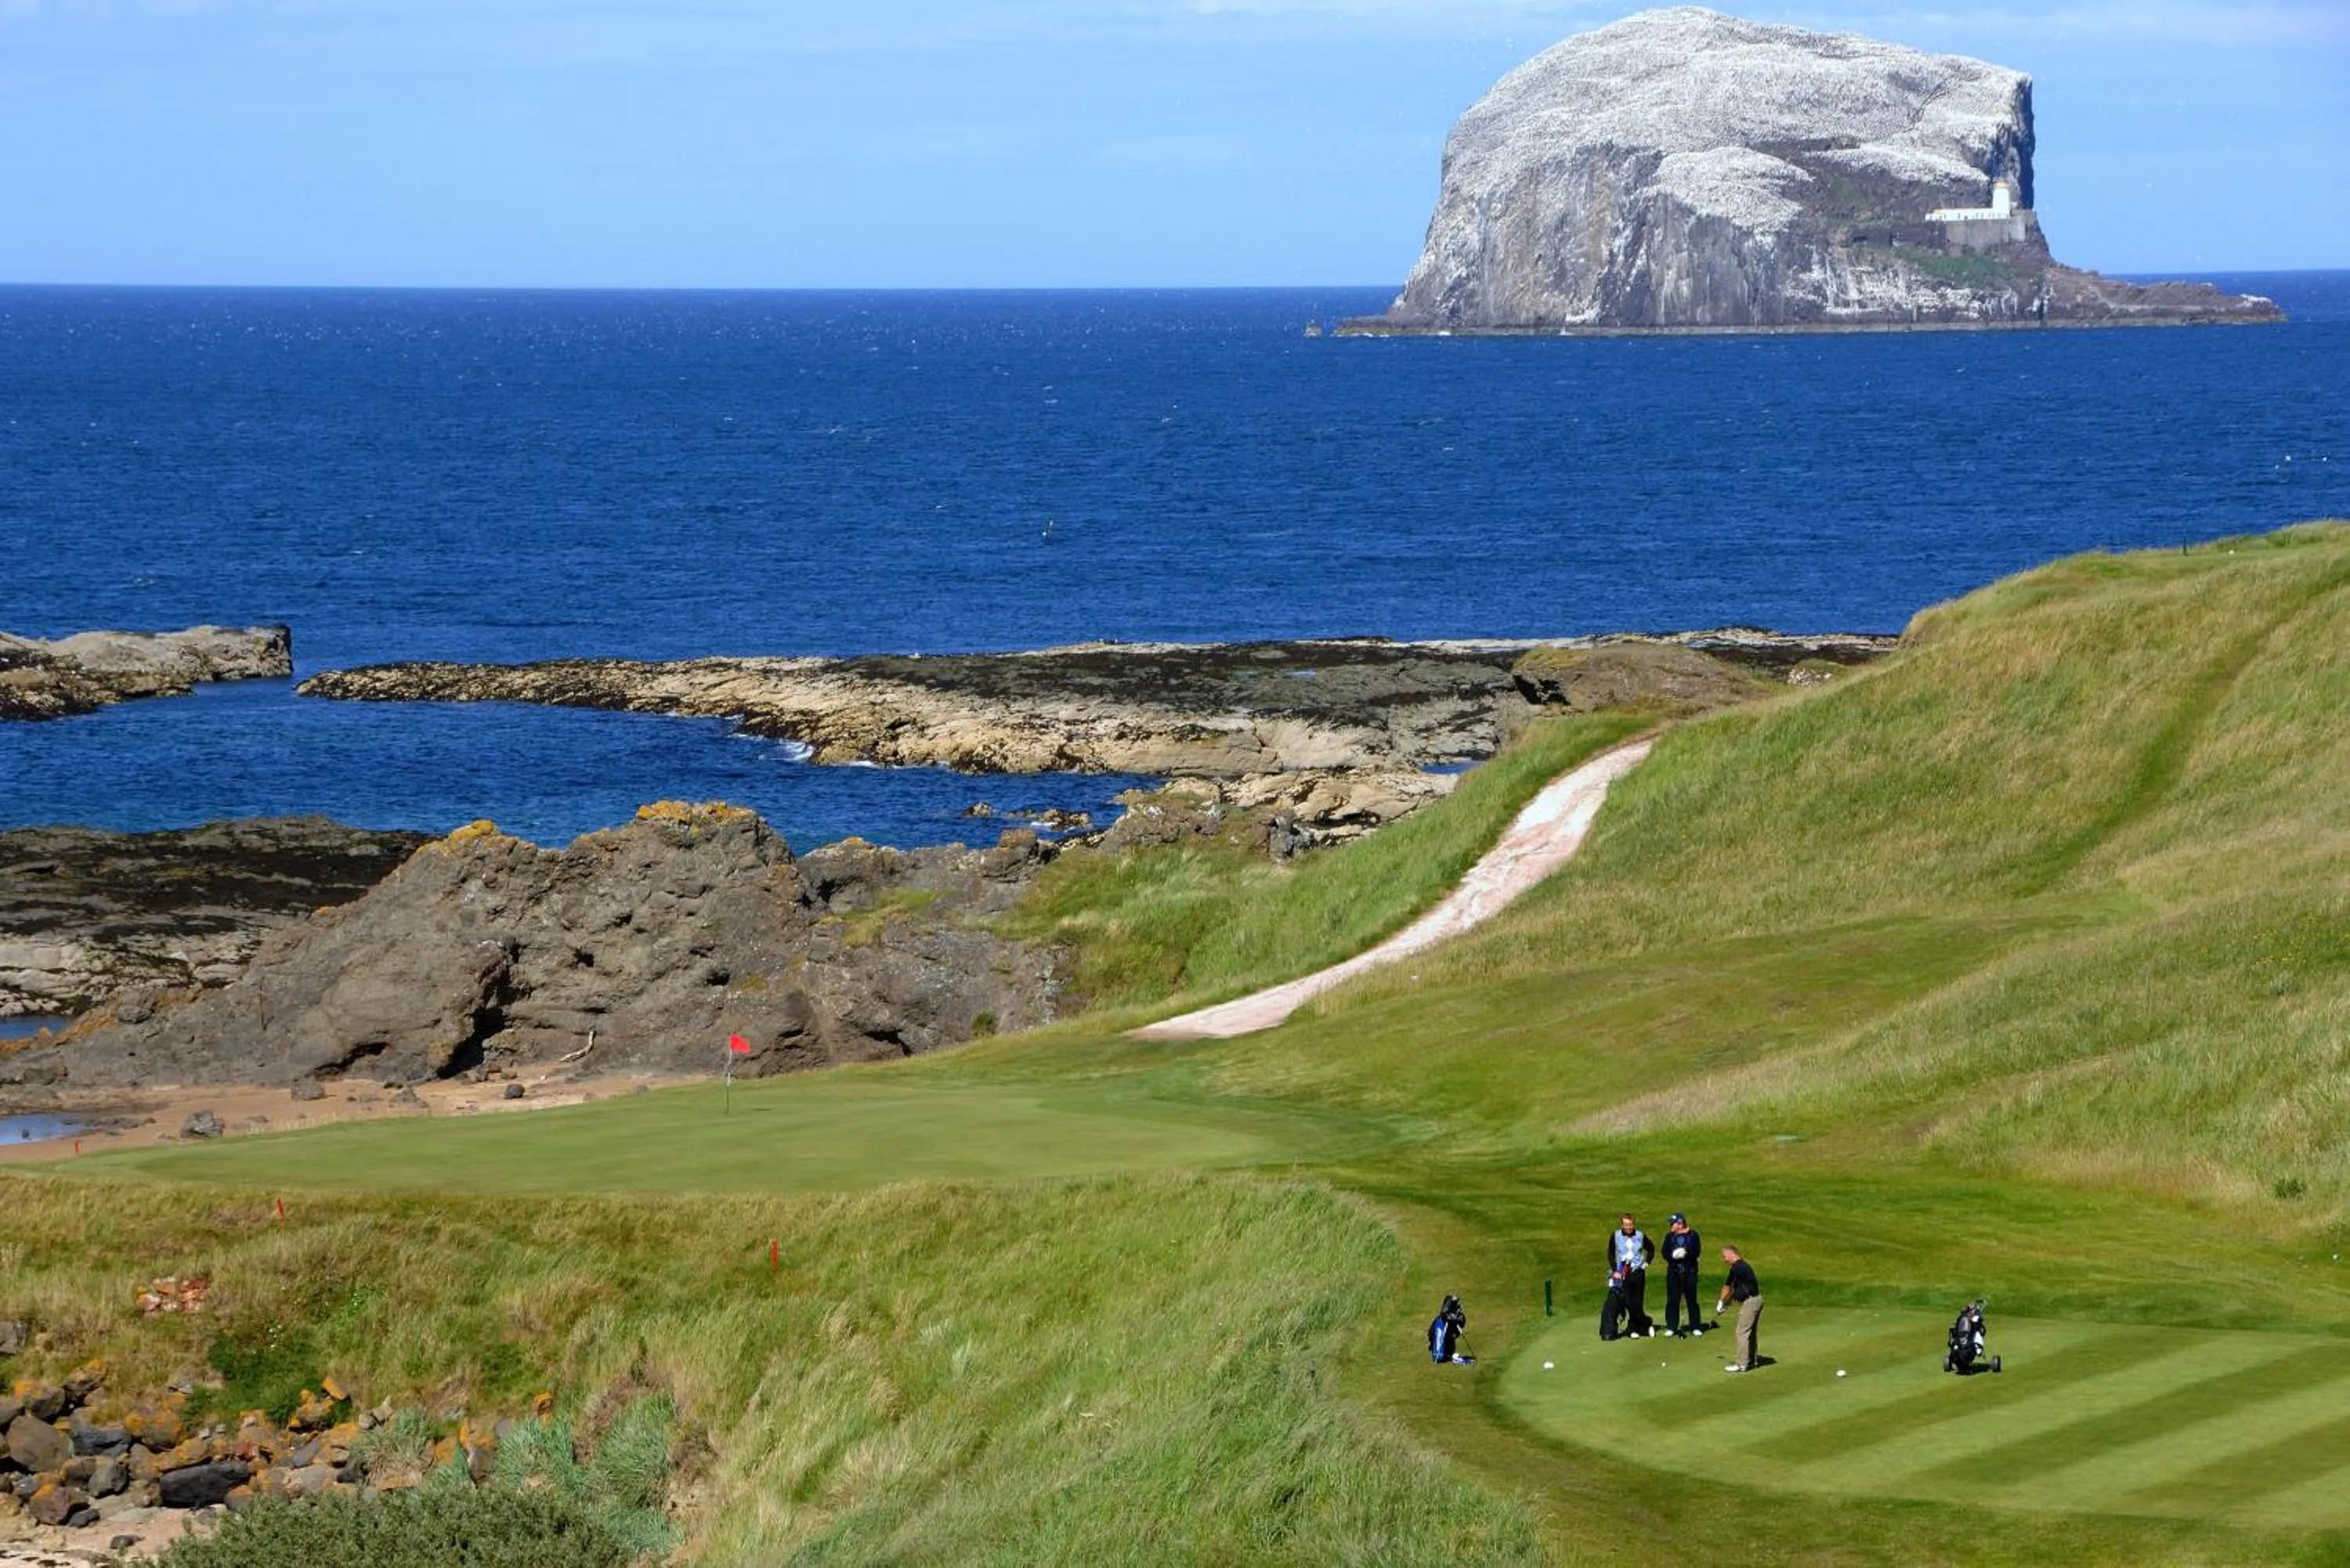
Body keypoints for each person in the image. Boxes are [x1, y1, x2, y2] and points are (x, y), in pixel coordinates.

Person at [1600, 1214, 1656, 1340]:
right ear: (1622, 1225)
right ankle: (1646, 1322)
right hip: (1623, 1273)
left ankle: (1634, 1328)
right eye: (1626, 1225)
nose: (1629, 1227)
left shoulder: (1640, 1236)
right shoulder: (1616, 1236)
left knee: (1638, 1301)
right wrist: (1615, 1270)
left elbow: (1651, 1248)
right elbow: (1610, 1253)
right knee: (1629, 1302)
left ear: (1633, 1224)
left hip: (1638, 1272)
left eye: (1630, 1225)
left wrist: (1647, 1263)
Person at [1716, 1245, 1762, 1371]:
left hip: (1751, 1302)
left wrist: (1723, 1303)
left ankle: (1742, 1364)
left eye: (1725, 1257)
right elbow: (1733, 1289)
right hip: (1757, 1300)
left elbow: (1729, 1288)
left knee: (1742, 1332)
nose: (1724, 1260)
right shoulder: (1742, 1267)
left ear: (1732, 1255)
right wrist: (1725, 1304)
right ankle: (1752, 1360)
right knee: (1751, 1333)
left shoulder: (1738, 1268)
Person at [1661, 1213, 1705, 1338]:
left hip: (1690, 1271)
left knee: (1692, 1300)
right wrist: (1672, 1256)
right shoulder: (1669, 1237)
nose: (1671, 1226)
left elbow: (1697, 1252)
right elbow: (1665, 1252)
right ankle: (1671, 1326)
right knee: (1673, 1300)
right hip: (1674, 1272)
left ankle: (1695, 1326)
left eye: (1673, 1223)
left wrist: (1686, 1253)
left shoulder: (1693, 1235)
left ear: (1680, 1224)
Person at [1428, 1294, 1473, 1364]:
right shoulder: (1443, 1319)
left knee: (1449, 1336)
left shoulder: (1446, 1316)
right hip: (1440, 1354)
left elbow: (1462, 1321)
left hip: (1447, 1333)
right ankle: (1443, 1355)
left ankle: (1448, 1354)